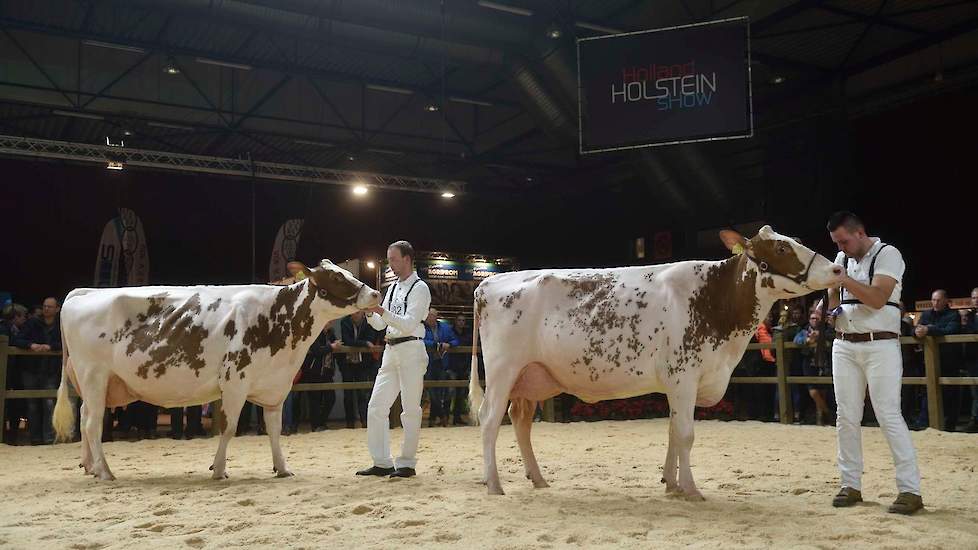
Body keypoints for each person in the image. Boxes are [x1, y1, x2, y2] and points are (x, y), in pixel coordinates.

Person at [824, 211, 922, 515]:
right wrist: (831, 303)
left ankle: (910, 490)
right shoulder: (845, 260)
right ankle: (849, 484)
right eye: (836, 243)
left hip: (880, 344)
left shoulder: (888, 253)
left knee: (888, 414)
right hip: (844, 344)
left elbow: (879, 298)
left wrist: (843, 279)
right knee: (846, 416)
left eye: (844, 240)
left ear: (860, 232)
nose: (841, 247)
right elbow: (834, 302)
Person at [356, 240, 431, 479]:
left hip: (411, 349)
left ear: (407, 259)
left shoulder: (420, 288)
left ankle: (407, 463)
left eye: (394, 259)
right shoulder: (393, 288)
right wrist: (369, 311)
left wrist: (380, 311)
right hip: (391, 349)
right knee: (376, 406)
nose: (391, 264)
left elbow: (409, 323)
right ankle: (382, 462)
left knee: (410, 409)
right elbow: (379, 324)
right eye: (389, 260)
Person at [910, 289, 962, 431]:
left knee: (951, 393)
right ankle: (924, 422)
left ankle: (950, 425)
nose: (935, 303)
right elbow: (915, 329)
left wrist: (929, 329)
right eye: (933, 300)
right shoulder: (926, 314)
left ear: (946, 301)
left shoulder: (953, 315)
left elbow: (951, 330)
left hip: (949, 361)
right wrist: (916, 332)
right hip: (929, 360)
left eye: (938, 300)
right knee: (928, 391)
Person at [13, 297, 62, 444]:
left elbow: (65, 342)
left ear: (57, 309)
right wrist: (31, 345)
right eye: (45, 306)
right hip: (31, 369)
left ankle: (48, 437)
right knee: (32, 404)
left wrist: (51, 347)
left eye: (50, 307)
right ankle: (34, 437)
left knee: (49, 404)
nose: (46, 309)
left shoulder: (61, 325)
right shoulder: (32, 323)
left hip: (50, 370)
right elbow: (17, 340)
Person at [336, 311, 377, 429]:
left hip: (363, 363)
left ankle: (364, 421)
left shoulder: (368, 323)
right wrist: (364, 343)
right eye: (353, 313)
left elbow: (371, 339)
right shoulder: (345, 321)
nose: (355, 315)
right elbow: (347, 340)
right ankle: (350, 423)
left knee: (362, 393)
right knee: (348, 394)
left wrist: (365, 343)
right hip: (347, 363)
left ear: (362, 314)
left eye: (357, 313)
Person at [423, 308, 459, 428]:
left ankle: (434, 419)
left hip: (442, 363)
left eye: (432, 315)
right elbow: (420, 341)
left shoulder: (445, 327)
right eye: (428, 315)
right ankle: (442, 416)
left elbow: (455, 340)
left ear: (436, 316)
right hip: (428, 363)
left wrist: (450, 344)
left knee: (441, 391)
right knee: (432, 392)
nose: (430, 317)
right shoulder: (421, 328)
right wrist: (436, 345)